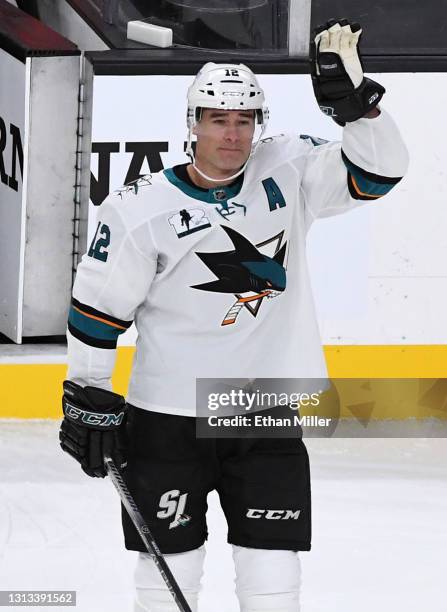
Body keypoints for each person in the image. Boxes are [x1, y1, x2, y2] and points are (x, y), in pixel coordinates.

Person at [59, 19, 409, 612]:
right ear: (192, 125)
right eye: (218, 120)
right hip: (167, 414)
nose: (232, 134)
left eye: (244, 120)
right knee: (168, 571)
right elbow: (97, 313)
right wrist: (87, 394)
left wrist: (358, 111)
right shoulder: (138, 209)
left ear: (258, 125)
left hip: (261, 407)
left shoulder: (289, 170)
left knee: (273, 575)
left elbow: (379, 175)